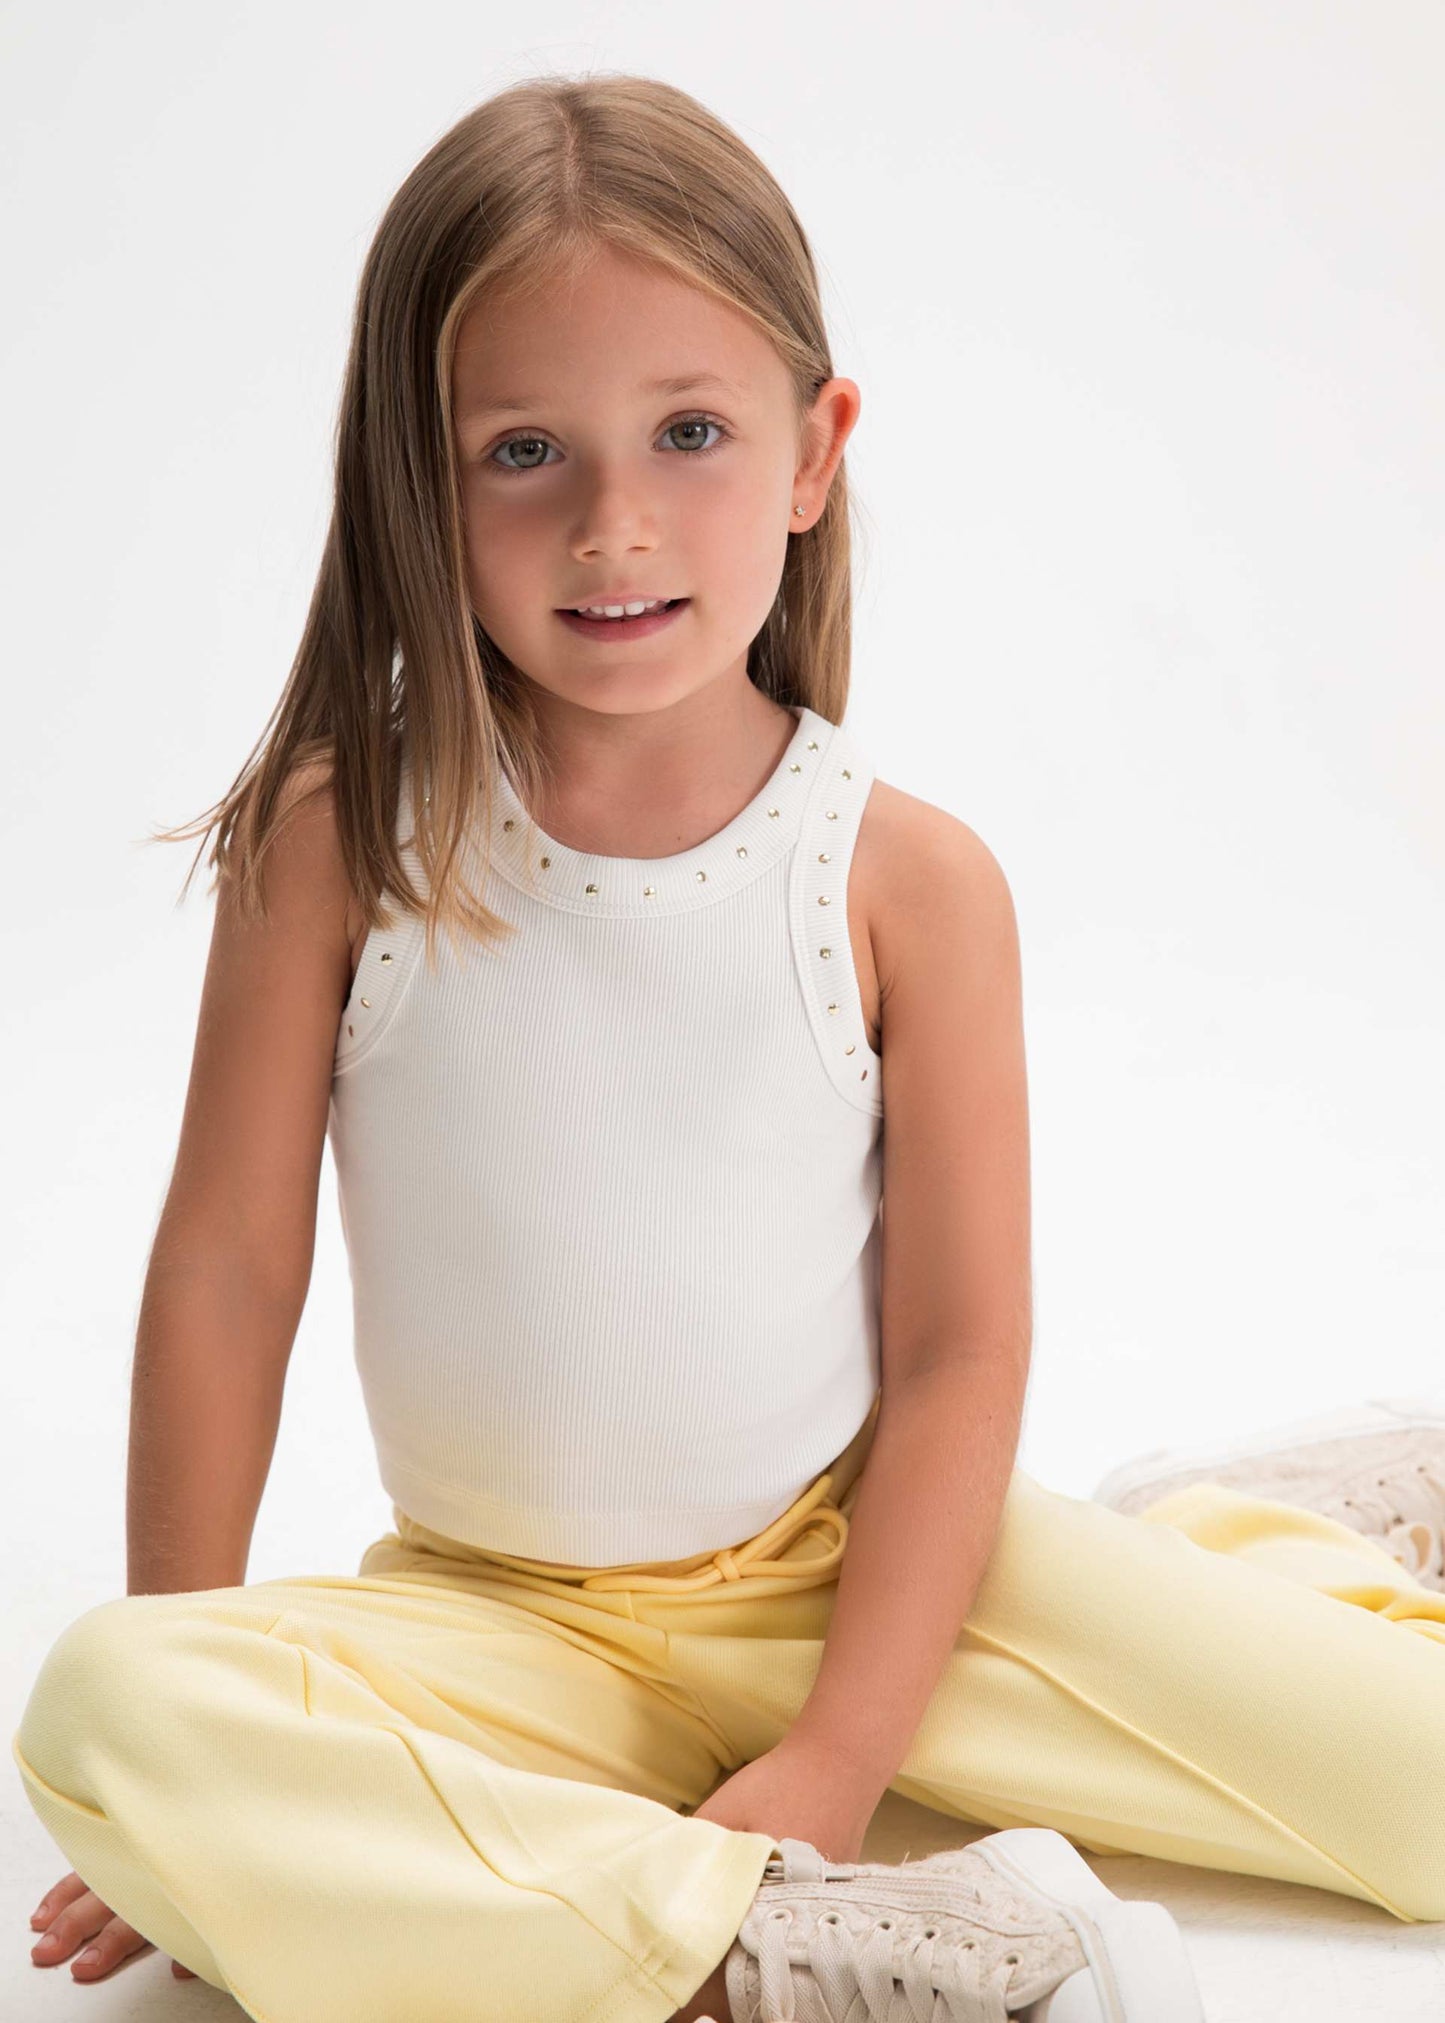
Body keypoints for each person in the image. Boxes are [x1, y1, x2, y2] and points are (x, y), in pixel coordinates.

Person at [15, 71, 1445, 2023]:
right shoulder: (344, 845)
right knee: (108, 1704)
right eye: (523, 449)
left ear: (810, 448)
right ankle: (787, 1953)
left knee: (1430, 1799)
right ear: (413, 480)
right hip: (493, 1616)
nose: (613, 524)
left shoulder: (907, 883)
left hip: (870, 1579)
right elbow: (229, 1269)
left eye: (688, 431)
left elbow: (958, 1350)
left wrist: (845, 1756)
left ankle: (1238, 1543)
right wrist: (171, 1792)